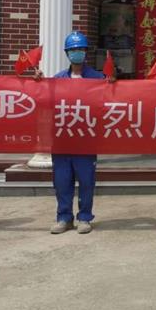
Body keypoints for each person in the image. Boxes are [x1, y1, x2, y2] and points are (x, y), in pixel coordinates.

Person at [35, 32, 114, 234]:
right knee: (62, 181)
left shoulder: (97, 78)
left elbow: (107, 104)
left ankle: (85, 217)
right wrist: (39, 84)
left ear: (85, 52)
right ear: (67, 53)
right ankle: (64, 218)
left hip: (86, 139)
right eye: (73, 50)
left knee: (86, 181)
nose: (76, 53)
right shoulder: (58, 79)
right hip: (62, 139)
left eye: (80, 49)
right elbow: (46, 103)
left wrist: (112, 85)